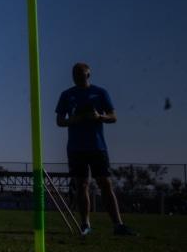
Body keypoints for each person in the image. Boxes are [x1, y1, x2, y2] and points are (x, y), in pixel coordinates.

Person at [55, 62, 139, 237]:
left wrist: (99, 117)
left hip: (97, 146)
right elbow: (59, 121)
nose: (77, 76)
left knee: (105, 184)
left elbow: (113, 117)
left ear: (88, 74)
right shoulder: (66, 95)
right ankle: (85, 224)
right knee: (81, 185)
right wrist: (72, 121)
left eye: (80, 73)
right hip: (76, 148)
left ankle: (118, 225)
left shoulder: (100, 92)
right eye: (74, 74)